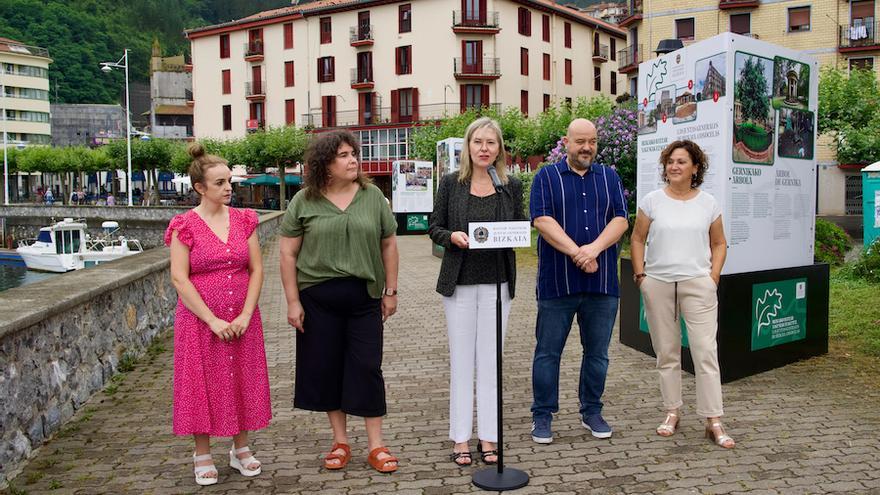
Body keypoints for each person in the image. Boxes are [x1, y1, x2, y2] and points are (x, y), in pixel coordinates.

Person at [279, 130, 400, 473]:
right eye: (343, 155)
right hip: (317, 301)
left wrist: (391, 291)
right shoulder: (304, 200)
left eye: (353, 154)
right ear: (325, 164)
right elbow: (287, 254)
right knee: (328, 368)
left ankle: (376, 446)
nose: (353, 160)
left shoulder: (372, 196)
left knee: (366, 367)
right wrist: (292, 302)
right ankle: (340, 441)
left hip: (364, 298)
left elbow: (389, 243)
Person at [165, 143, 272, 486]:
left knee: (240, 376)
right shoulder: (185, 225)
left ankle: (241, 448)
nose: (228, 187)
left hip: (242, 318)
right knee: (201, 382)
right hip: (200, 321)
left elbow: (256, 269)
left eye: (229, 181)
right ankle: (202, 452)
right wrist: (211, 320)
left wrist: (244, 314)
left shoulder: (244, 220)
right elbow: (179, 277)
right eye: (220, 183)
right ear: (200, 188)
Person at [428, 117, 526, 467]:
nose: (484, 149)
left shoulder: (510, 186)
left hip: (498, 282)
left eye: (491, 143)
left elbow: (520, 227)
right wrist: (451, 237)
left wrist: (514, 234)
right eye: (478, 142)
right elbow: (434, 226)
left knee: (491, 362)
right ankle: (460, 438)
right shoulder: (452, 184)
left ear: (499, 149)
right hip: (460, 282)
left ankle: (489, 436)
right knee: (462, 361)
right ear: (468, 147)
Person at [529, 118, 628, 443]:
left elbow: (620, 219)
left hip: (602, 286)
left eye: (592, 141)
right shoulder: (546, 176)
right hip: (557, 284)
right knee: (548, 353)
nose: (587, 147)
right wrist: (577, 253)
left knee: (598, 354)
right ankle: (542, 416)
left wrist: (594, 250)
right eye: (580, 141)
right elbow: (542, 219)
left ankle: (592, 411)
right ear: (566, 142)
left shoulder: (609, 176)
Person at [629, 140, 734, 449]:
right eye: (670, 161)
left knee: (705, 353)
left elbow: (719, 243)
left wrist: (712, 277)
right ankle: (672, 412)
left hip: (697, 285)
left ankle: (713, 419)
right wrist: (640, 276)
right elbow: (637, 238)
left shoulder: (708, 204)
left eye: (681, 162)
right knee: (667, 353)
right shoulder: (651, 201)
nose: (674, 166)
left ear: (695, 168)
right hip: (658, 283)